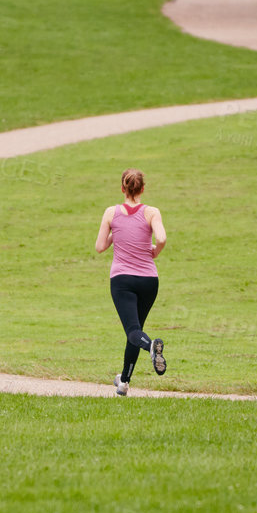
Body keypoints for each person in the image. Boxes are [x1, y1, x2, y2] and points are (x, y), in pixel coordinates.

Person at [94, 169, 167, 395]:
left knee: (134, 331)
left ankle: (151, 346)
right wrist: (155, 251)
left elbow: (100, 247)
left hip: (122, 280)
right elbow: (162, 238)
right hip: (149, 280)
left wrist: (117, 232)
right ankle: (124, 382)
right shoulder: (152, 212)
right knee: (135, 329)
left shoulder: (111, 212)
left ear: (122, 188)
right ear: (143, 189)